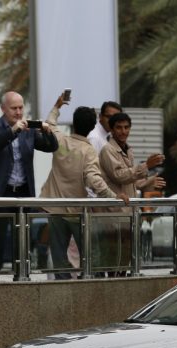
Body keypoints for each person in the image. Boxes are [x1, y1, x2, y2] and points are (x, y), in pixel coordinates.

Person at [40, 97, 128, 278]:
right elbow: (94, 180)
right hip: (76, 211)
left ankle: (63, 284)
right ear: (92, 126)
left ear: (73, 123)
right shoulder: (88, 151)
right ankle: (89, 284)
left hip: (55, 208)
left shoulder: (60, 142)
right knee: (90, 252)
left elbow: (50, 123)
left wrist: (57, 106)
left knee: (58, 253)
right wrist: (114, 196)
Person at [0, 91, 59, 281]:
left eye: (21, 107)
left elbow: (51, 147)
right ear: (3, 109)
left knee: (22, 241)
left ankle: (21, 280)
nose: (18, 112)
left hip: (22, 193)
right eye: (14, 108)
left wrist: (48, 132)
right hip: (0, 193)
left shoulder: (29, 131)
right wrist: (13, 130)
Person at [99, 112, 166, 273]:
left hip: (129, 212)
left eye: (126, 127)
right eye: (119, 128)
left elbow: (132, 182)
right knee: (114, 258)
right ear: (112, 130)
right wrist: (146, 166)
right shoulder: (107, 150)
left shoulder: (129, 150)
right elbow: (120, 176)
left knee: (126, 258)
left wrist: (149, 182)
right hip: (114, 213)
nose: (123, 131)